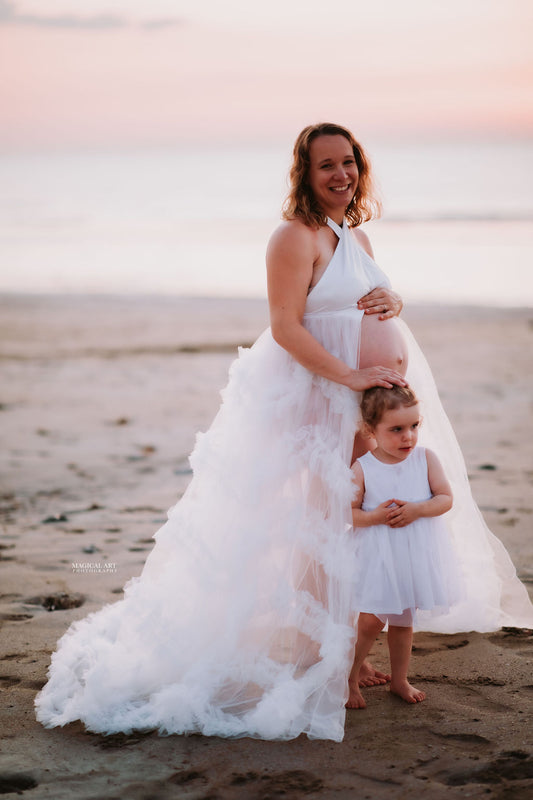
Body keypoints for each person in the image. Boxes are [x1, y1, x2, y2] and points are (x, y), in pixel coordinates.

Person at [35, 123, 533, 743]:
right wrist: (351, 376)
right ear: (304, 172)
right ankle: (314, 653)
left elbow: (360, 299)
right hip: (320, 396)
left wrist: (392, 303)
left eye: (348, 163)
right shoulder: (292, 236)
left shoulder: (352, 232)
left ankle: (345, 649)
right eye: (326, 165)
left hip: (361, 404)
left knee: (347, 518)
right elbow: (286, 326)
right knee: (318, 518)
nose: (340, 175)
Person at [347, 386, 462, 709]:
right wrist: (375, 517)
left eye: (413, 426)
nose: (407, 437)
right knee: (370, 620)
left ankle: (399, 680)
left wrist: (416, 509)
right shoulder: (364, 467)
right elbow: (348, 513)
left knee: (402, 621)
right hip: (378, 555)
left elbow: (445, 498)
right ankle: (350, 676)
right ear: (371, 431)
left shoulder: (425, 459)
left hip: (414, 553)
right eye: (396, 429)